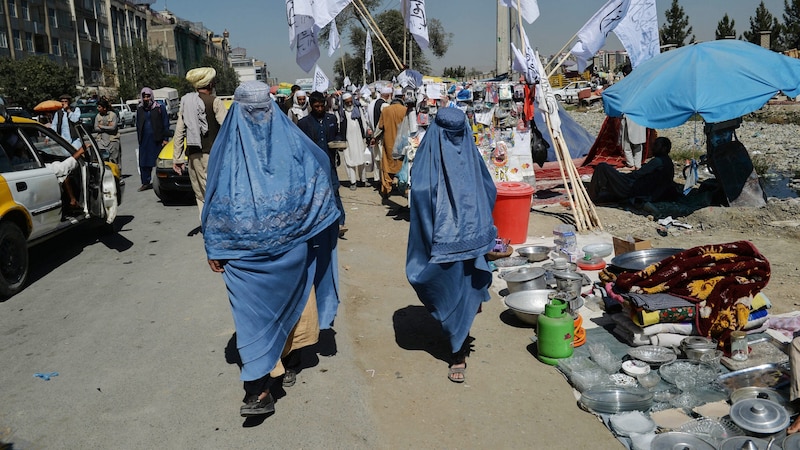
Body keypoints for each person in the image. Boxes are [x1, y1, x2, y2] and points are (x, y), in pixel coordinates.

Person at [202, 80, 341, 417]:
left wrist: (214, 246)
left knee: (253, 320)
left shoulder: (227, 150)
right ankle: (271, 378)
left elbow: (212, 201)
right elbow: (321, 175)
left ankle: (261, 387)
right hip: (268, 253)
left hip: (242, 253)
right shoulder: (294, 146)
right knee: (286, 306)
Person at [405, 107, 497, 383]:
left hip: (471, 237)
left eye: (459, 135)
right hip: (439, 237)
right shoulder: (426, 159)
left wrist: (477, 221)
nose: (455, 142)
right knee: (444, 285)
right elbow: (419, 193)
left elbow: (487, 188)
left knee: (468, 287)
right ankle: (453, 330)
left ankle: (458, 350)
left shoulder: (472, 157)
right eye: (450, 136)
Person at [172, 67, 227, 216]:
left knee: (199, 193)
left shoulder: (186, 102)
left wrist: (177, 158)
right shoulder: (215, 102)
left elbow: (179, 132)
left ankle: (205, 223)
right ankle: (216, 224)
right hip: (211, 155)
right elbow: (227, 127)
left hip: (192, 155)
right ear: (209, 84)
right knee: (213, 190)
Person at [297, 92, 346, 236]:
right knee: (315, 193)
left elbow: (337, 133)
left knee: (334, 191)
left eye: (321, 105)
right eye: (316, 106)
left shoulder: (331, 118)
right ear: (311, 106)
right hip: (313, 166)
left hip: (329, 162)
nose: (319, 109)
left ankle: (340, 221)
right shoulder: (303, 123)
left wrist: (338, 141)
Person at [587, 136, 676, 204]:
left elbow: (637, 175)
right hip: (644, 190)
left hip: (634, 189)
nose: (653, 147)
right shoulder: (667, 161)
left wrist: (623, 176)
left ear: (664, 148)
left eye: (656, 145)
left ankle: (591, 197)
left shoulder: (658, 161)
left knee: (602, 167)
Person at [135, 87, 170, 191]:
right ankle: (145, 182)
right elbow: (138, 125)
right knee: (144, 163)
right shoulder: (140, 109)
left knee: (160, 162)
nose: (146, 99)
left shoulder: (159, 107)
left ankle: (162, 182)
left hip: (157, 140)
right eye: (144, 96)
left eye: (148, 96)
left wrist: (165, 138)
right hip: (144, 140)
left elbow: (165, 123)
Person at [375, 92, 408, 199]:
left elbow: (380, 126)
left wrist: (374, 138)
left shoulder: (385, 110)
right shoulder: (405, 110)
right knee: (402, 165)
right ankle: (405, 189)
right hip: (402, 144)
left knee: (387, 167)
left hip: (389, 144)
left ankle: (386, 190)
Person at [339, 92, 368, 190]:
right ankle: (353, 182)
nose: (350, 103)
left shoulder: (357, 109)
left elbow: (363, 122)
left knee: (361, 159)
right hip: (348, 140)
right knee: (349, 161)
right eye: (347, 102)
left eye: (351, 101)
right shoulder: (341, 112)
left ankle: (363, 180)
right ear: (344, 102)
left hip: (359, 139)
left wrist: (365, 136)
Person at [94, 99, 121, 165]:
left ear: (105, 108)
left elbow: (113, 128)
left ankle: (116, 173)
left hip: (113, 140)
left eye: (99, 107)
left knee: (114, 159)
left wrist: (102, 127)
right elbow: (96, 128)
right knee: (103, 159)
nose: (98, 108)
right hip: (101, 141)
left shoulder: (113, 115)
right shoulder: (98, 116)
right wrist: (107, 127)